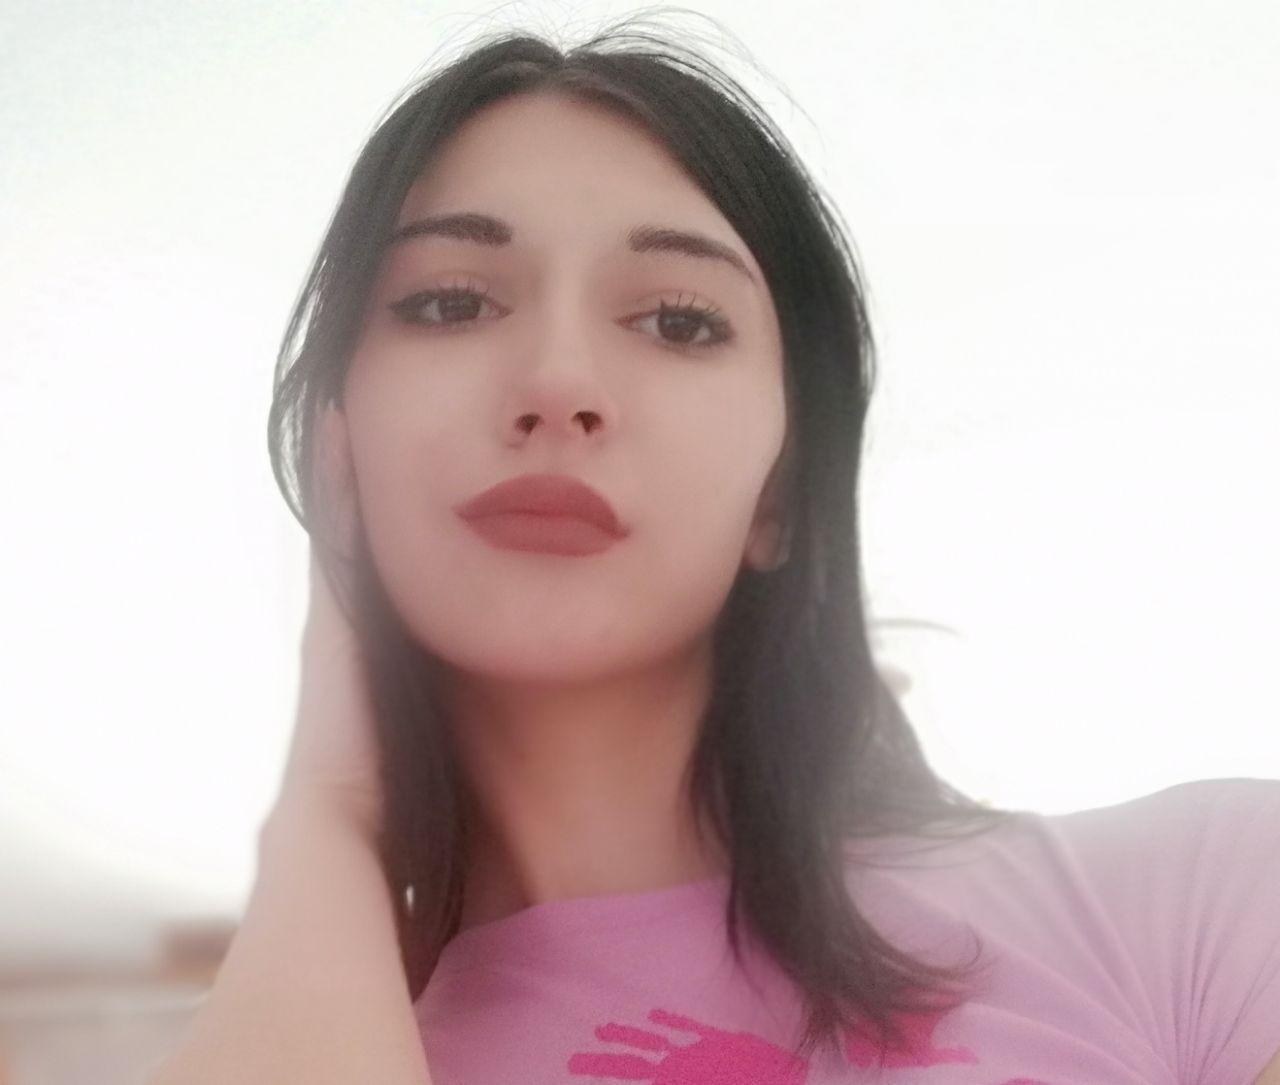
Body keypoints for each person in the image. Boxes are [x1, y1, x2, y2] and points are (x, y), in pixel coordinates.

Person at [152, 14, 1280, 1085]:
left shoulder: (1202, 901)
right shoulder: (310, 1028)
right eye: (450, 303)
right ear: (334, 440)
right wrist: (323, 808)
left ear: (780, 495)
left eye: (678, 320)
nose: (558, 380)